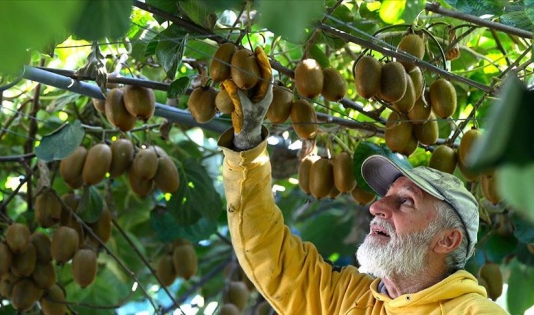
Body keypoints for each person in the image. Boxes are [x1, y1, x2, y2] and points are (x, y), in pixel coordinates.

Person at [217, 47, 508, 314]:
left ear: (447, 239)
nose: (376, 207)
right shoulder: (349, 297)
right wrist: (248, 143)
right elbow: (270, 258)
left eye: (406, 201)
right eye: (387, 195)